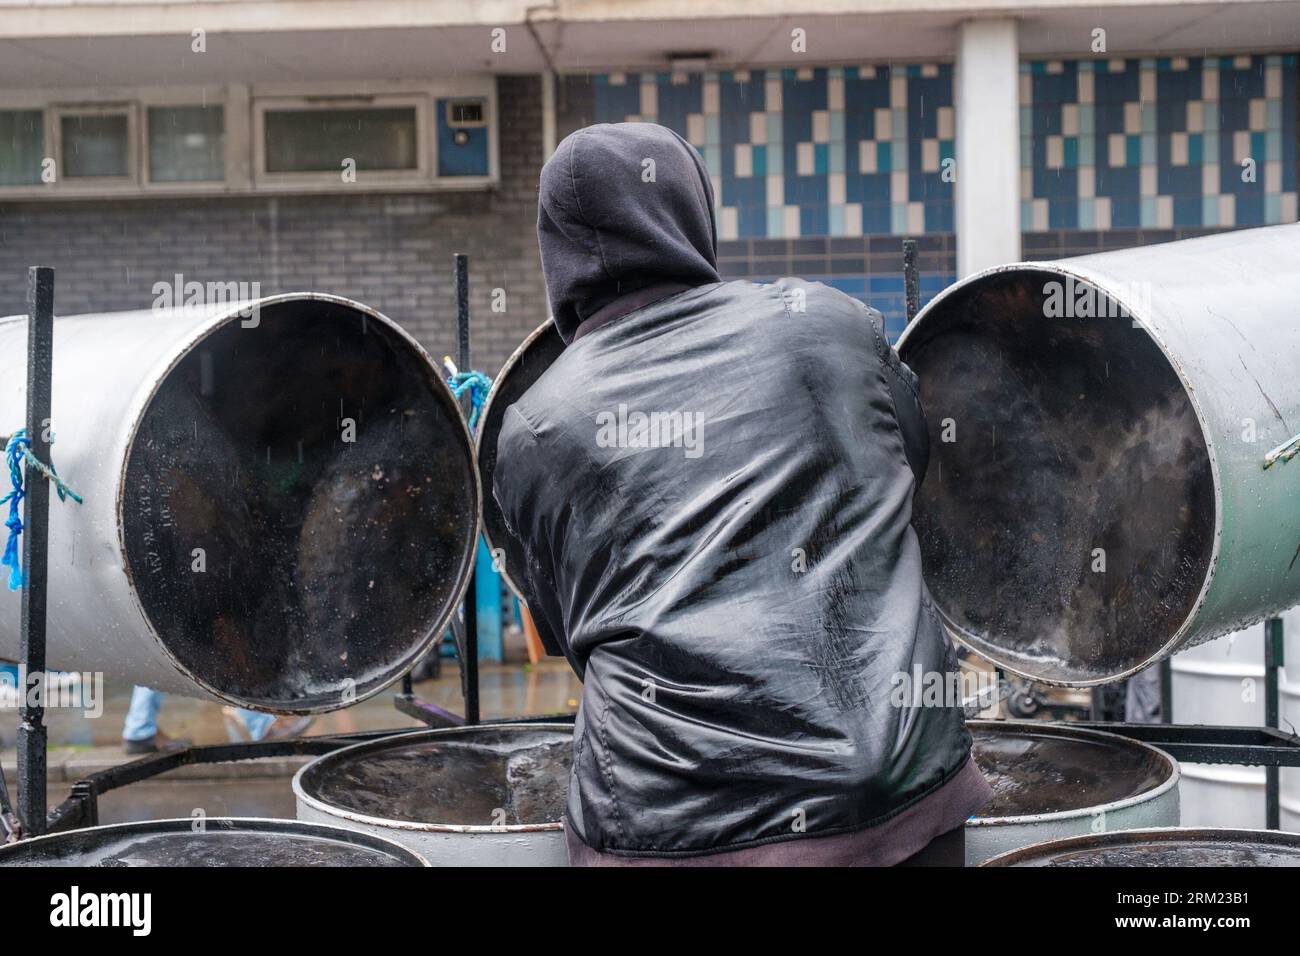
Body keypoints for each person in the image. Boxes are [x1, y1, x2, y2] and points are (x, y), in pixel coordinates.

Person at [493, 122, 991, 866]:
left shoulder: (533, 423)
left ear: (554, 251)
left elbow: (570, 628)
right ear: (692, 212)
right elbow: (909, 476)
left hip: (664, 827)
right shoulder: (827, 324)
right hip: (895, 796)